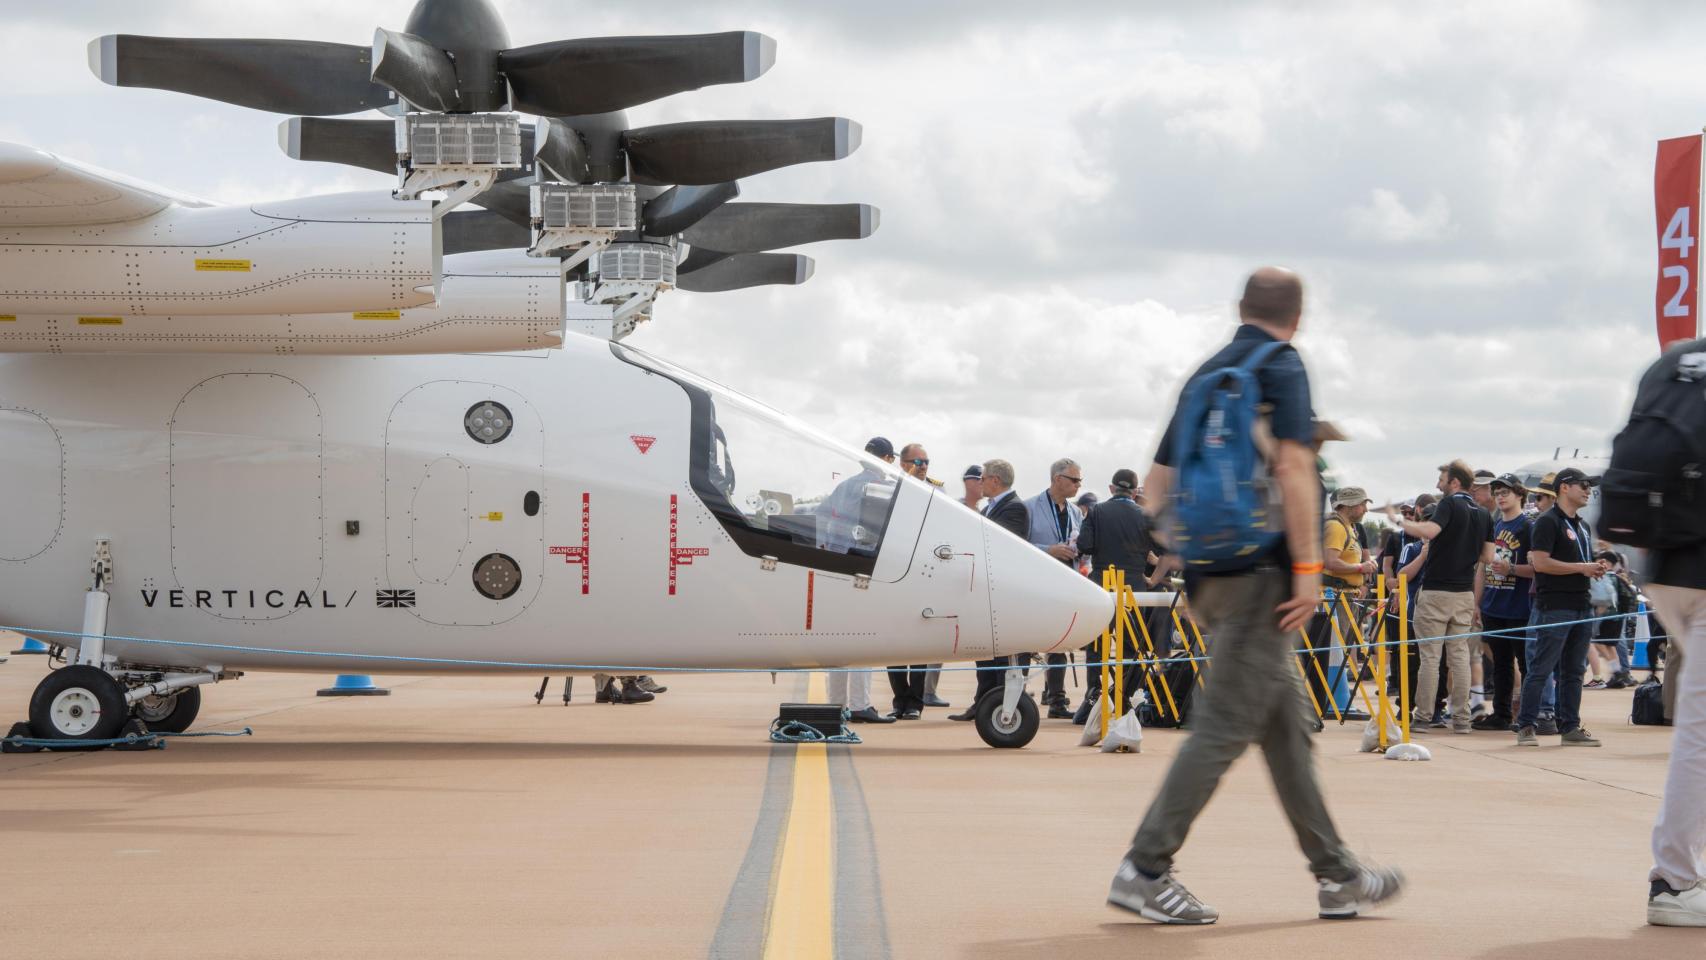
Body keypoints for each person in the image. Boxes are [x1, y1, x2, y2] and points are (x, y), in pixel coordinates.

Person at [1107, 267, 1402, 925]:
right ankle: (1145, 868)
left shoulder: (1206, 374)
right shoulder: (1281, 366)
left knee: (1287, 727)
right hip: (1265, 582)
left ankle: (1337, 875)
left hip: (1211, 578)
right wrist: (1305, 568)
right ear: (1297, 316)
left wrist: (1191, 559)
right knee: (1221, 728)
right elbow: (1296, 468)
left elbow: (1157, 487)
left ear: (1241, 308)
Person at [1632, 342, 1706, 923]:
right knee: (1699, 736)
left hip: (1665, 570)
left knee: (1700, 729)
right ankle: (1675, 881)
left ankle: (1678, 878)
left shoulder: (1675, 361)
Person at [1385, 460, 1493, 734]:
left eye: (1442, 479)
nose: (1438, 484)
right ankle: (1461, 718)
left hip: (1436, 592)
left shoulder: (1448, 505)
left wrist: (1400, 521)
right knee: (1459, 657)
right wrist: (1464, 550)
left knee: (1430, 658)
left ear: (1454, 482)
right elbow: (1488, 557)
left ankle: (1423, 716)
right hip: (1464, 593)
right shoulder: (1483, 514)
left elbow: (1429, 532)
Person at [1514, 467, 1604, 747]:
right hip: (1554, 606)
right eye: (1583, 485)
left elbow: (1578, 565)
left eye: (1589, 486)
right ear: (1564, 487)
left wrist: (1594, 568)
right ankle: (1526, 725)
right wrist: (1582, 567)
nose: (1588, 490)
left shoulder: (1583, 527)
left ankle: (1570, 726)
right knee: (1541, 668)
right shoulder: (1547, 522)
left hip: (1581, 605)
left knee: (1575, 670)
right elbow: (1540, 563)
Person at [1075, 468, 1165, 719]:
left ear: (1112, 489)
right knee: (1132, 647)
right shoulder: (1146, 515)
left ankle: (1093, 699)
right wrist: (1152, 577)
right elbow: (1164, 550)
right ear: (1135, 492)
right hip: (1134, 588)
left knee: (1097, 646)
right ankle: (1126, 700)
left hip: (1101, 587)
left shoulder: (1096, 512)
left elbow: (1085, 546)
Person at [950, 459, 1030, 721]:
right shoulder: (990, 509)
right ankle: (983, 703)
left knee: (1003, 658)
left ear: (995, 480)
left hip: (1003, 593)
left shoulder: (1015, 508)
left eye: (983, 478)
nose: (980, 483)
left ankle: (999, 705)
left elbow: (998, 546)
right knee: (985, 656)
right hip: (987, 593)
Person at [827, 437, 899, 724]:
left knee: (836, 641)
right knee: (862, 639)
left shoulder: (843, 486)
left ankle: (835, 706)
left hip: (835, 566)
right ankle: (860, 705)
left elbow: (824, 515)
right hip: (865, 568)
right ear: (888, 459)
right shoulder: (884, 488)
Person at [1026, 458, 1086, 718]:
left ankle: (1057, 700)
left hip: (1065, 585)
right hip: (1035, 585)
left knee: (1060, 643)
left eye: (1079, 480)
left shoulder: (1075, 513)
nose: (1078, 485)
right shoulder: (1029, 507)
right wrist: (1048, 550)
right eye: (1074, 480)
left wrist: (1079, 553)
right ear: (1057, 479)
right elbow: (1018, 544)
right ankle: (1017, 694)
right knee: (1025, 642)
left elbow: (1083, 549)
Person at [1475, 474, 1533, 731]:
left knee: (1525, 663)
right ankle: (1501, 713)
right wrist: (1477, 603)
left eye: (1506, 491)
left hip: (1519, 605)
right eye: (1496, 491)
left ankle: (1529, 715)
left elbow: (1537, 567)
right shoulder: (1494, 526)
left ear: (1520, 494)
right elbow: (1482, 567)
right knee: (1500, 664)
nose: (1500, 495)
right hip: (1493, 604)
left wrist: (1511, 569)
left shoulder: (1528, 527)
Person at [886, 444, 936, 718]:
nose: (924, 466)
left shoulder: (937, 491)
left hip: (924, 573)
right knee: (894, 641)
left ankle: (915, 702)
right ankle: (899, 700)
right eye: (918, 460)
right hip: (894, 572)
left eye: (927, 461)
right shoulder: (893, 487)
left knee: (919, 640)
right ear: (903, 463)